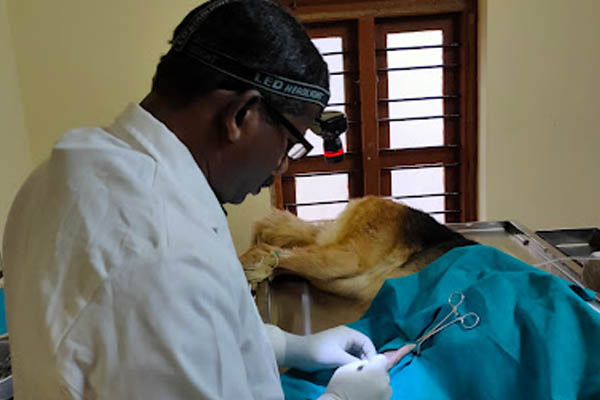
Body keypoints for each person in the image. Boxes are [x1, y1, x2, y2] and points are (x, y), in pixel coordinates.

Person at [2, 0, 412, 398]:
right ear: (241, 116)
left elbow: (174, 339)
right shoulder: (165, 255)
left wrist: (290, 346)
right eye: (289, 142)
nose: (282, 165)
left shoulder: (64, 172)